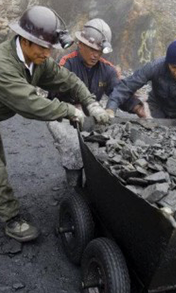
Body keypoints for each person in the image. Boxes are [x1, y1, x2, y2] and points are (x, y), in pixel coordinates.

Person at [0, 6, 109, 243]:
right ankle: (13, 221)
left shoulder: (37, 59)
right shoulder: (2, 64)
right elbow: (30, 104)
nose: (47, 54)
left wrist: (90, 103)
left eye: (50, 48)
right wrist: (70, 111)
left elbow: (68, 79)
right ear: (24, 40)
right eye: (43, 48)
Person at [47, 18, 145, 187]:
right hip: (61, 115)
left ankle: (100, 182)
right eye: (92, 49)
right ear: (80, 44)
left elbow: (118, 92)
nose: (96, 55)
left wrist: (137, 107)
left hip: (91, 114)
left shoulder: (107, 69)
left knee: (110, 142)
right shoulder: (66, 63)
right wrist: (73, 104)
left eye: (99, 51)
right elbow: (53, 94)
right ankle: (74, 186)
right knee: (73, 146)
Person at [105, 38, 176, 129]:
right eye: (173, 67)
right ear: (168, 63)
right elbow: (126, 87)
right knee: (148, 129)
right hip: (157, 109)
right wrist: (111, 108)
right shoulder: (155, 67)